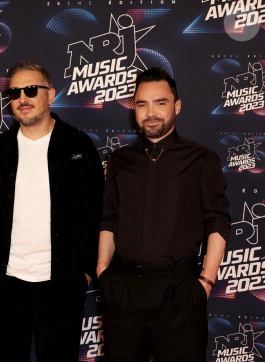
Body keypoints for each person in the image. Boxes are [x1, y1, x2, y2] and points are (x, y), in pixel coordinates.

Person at [97, 67, 231, 361]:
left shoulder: (201, 158)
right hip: (123, 289)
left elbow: (217, 220)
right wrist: (103, 272)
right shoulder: (119, 160)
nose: (151, 112)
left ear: (177, 106)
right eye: (142, 104)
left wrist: (205, 283)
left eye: (161, 102)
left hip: (179, 290)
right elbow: (108, 219)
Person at [0, 61, 104, 362]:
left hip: (62, 283)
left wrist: (83, 271)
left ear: (51, 94)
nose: (22, 98)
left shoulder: (79, 146)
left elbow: (95, 211)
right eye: (15, 92)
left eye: (31, 89)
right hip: (6, 284)